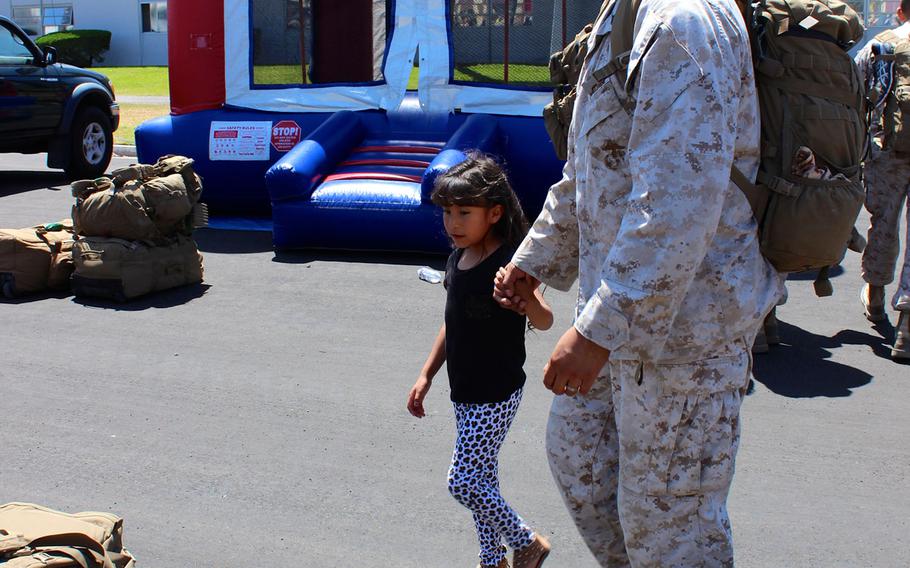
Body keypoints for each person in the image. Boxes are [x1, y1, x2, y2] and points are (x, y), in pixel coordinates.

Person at [494, 0, 784, 565]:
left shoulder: (684, 23)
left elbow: (679, 200)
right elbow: (588, 168)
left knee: (672, 524)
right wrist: (535, 259)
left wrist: (600, 329)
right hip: (620, 312)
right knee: (581, 462)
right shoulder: (618, 15)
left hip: (686, 332)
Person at [407, 154, 555, 568]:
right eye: (448, 213)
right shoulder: (457, 260)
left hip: (495, 392)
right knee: (482, 479)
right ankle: (493, 559)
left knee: (463, 480)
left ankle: (526, 542)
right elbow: (451, 323)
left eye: (464, 212)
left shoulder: (507, 267)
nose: (453, 223)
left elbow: (545, 320)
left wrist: (525, 302)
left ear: (494, 213)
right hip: (465, 389)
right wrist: (426, 375)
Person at [855, 0, 910, 361]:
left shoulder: (885, 43)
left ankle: (875, 297)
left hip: (889, 150)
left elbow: (854, 88)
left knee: (884, 224)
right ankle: (906, 326)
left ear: (901, 11)